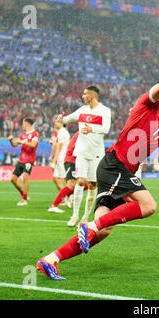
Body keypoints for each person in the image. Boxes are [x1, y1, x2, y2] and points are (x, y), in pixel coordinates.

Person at [36, 35, 159, 280]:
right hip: (116, 165)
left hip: (117, 170)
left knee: (104, 230)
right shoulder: (148, 103)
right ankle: (89, 225)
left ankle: (51, 259)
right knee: (149, 205)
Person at [56, 85, 111, 227]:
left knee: (93, 185)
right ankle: (74, 215)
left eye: (85, 94)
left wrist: (92, 128)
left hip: (97, 153)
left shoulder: (104, 111)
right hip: (81, 152)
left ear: (92, 96)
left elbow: (106, 128)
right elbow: (67, 120)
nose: (83, 96)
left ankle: (85, 217)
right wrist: (61, 119)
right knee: (80, 181)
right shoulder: (82, 110)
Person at [8, 118, 40, 206]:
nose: (22, 125)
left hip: (29, 160)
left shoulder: (35, 134)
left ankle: (24, 200)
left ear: (26, 123)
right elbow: (15, 145)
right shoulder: (23, 134)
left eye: (23, 123)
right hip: (21, 160)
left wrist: (22, 141)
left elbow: (33, 145)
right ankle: (23, 194)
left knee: (26, 178)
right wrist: (11, 140)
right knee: (13, 179)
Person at [48, 131, 80, 213]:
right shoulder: (82, 133)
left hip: (78, 160)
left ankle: (68, 195)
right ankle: (54, 205)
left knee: (87, 184)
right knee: (71, 184)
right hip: (71, 160)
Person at [50, 116, 70, 191]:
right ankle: (64, 196)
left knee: (67, 179)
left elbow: (59, 148)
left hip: (62, 159)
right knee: (55, 178)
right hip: (60, 158)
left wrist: (53, 161)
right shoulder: (61, 132)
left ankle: (71, 197)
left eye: (57, 121)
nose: (55, 123)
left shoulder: (62, 133)